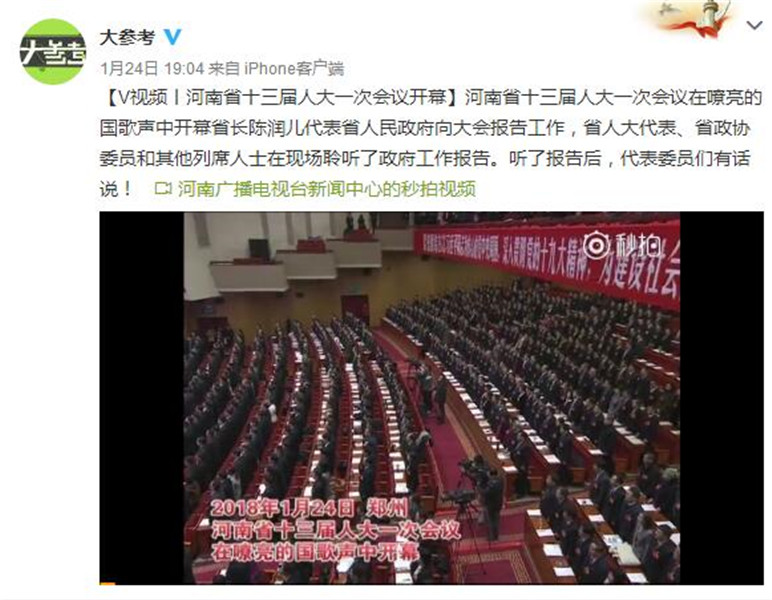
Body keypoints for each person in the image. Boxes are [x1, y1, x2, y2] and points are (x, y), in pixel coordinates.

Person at [481, 468, 504, 541]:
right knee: (496, 520)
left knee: (490, 521)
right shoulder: (501, 481)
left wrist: (480, 490)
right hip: (498, 503)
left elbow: (486, 493)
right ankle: (496, 535)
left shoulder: (490, 484)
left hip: (490, 504)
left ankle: (491, 537)